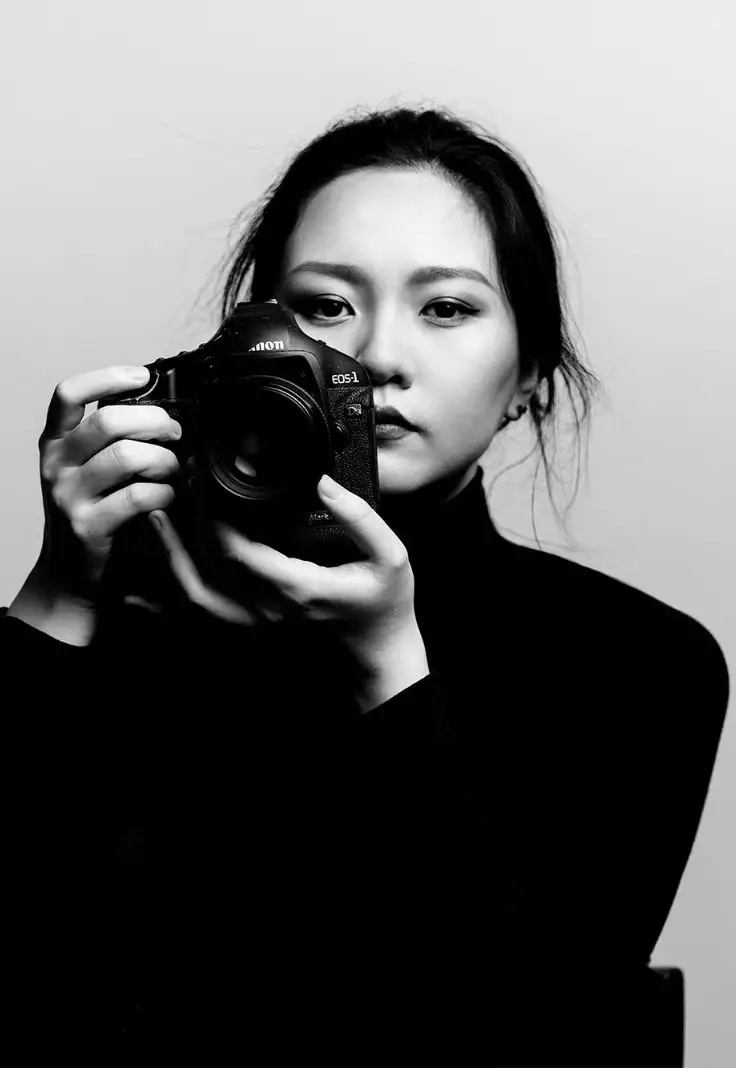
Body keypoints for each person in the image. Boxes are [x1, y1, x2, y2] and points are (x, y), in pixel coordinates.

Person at [2, 106, 730, 1065]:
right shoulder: (127, 603)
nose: (377, 356)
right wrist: (53, 601)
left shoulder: (642, 661)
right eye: (325, 307)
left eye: (448, 308)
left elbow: (545, 1046)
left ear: (531, 376)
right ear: (243, 354)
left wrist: (389, 670)